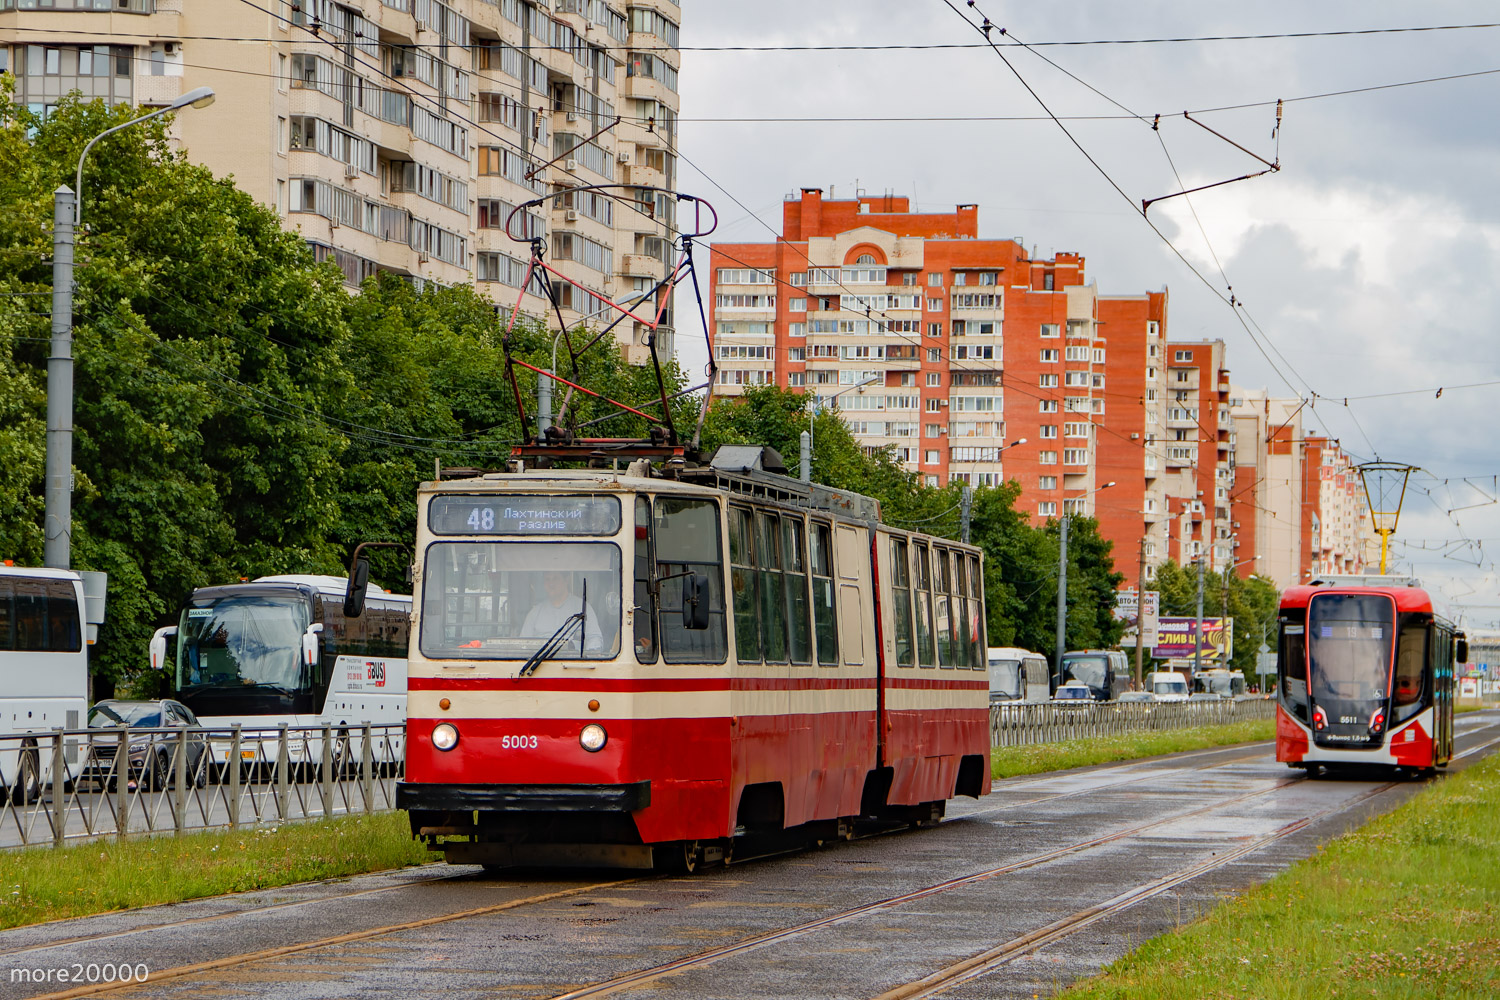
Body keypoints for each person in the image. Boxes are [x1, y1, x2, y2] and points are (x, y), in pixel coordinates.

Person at [521, 570, 606, 653]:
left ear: (567, 580)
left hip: (573, 665)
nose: (551, 584)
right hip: (539, 665)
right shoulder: (535, 613)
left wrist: (589, 657)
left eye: (555, 578)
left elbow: (594, 639)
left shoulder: (583, 608)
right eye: (547, 579)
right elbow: (522, 645)